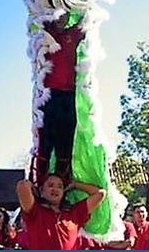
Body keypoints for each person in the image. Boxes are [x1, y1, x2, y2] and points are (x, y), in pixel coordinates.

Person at [29, 13, 86, 187]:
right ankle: (39, 185)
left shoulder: (73, 34)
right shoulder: (43, 30)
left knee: (65, 142)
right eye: (59, 14)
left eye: (66, 15)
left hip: (68, 96)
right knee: (45, 142)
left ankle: (64, 186)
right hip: (48, 96)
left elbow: (87, 17)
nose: (62, 18)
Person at [16, 174, 105, 250]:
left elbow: (100, 193)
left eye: (60, 187)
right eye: (50, 185)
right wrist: (34, 189)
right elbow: (22, 185)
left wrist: (75, 185)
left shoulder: (74, 213)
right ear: (42, 190)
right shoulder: (34, 211)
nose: (55, 189)